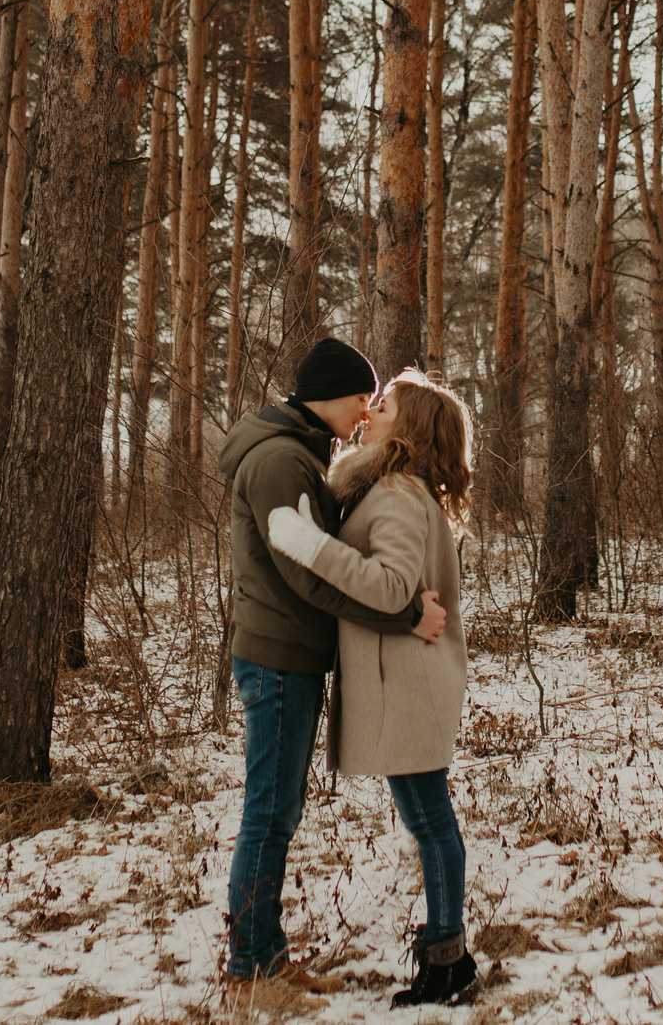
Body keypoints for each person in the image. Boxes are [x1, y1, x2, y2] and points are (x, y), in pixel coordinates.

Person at [215, 337, 446, 998]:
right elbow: (308, 575)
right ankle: (251, 968)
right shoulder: (282, 460)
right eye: (362, 399)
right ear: (334, 395)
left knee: (277, 810)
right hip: (278, 657)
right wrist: (404, 614)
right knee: (270, 813)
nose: (366, 413)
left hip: (287, 655)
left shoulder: (299, 450)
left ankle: (263, 954)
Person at [266, 367, 480, 1009]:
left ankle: (448, 961)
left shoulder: (398, 493)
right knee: (427, 817)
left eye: (382, 405)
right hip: (405, 679)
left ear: (407, 426)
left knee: (430, 819)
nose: (370, 411)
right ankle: (448, 955)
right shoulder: (390, 487)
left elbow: (390, 588)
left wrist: (311, 546)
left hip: (409, 684)